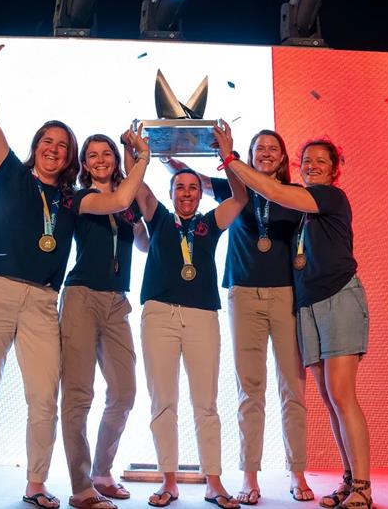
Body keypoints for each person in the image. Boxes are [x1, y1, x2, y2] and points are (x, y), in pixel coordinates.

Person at [0, 39, 152, 509]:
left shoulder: (72, 200)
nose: (53, 149)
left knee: (45, 396)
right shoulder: (10, 174)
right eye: (47, 142)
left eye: (62, 146)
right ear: (35, 148)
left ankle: (36, 484)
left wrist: (142, 161)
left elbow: (120, 201)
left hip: (45, 301)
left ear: (70, 160)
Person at [162, 129, 313, 504]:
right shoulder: (235, 187)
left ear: (282, 159)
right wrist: (167, 153)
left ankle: (298, 473)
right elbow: (191, 180)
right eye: (259, 148)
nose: (265, 153)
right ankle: (250, 476)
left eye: (273, 149)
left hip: (284, 295)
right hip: (242, 295)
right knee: (250, 389)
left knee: (292, 388)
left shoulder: (293, 196)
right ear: (248, 153)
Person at [221, 138, 372, 509]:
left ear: (335, 169)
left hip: (339, 297)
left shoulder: (328, 197)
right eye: (309, 160)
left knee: (340, 394)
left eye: (322, 161)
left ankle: (364, 487)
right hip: (308, 305)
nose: (313, 165)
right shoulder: (304, 206)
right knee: (328, 397)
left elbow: (272, 190)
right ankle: (350, 479)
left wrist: (230, 158)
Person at [136, 122, 246, 509]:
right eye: (180, 187)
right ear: (170, 193)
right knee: (162, 401)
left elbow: (239, 199)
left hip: (202, 317)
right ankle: (170, 482)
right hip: (159, 315)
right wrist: (141, 153)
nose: (186, 192)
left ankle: (213, 482)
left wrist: (227, 156)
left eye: (193, 188)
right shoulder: (160, 219)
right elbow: (139, 190)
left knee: (206, 403)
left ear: (201, 194)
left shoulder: (209, 224)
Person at [59, 130, 151, 509]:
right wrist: (141, 159)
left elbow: (144, 243)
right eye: (92, 155)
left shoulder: (125, 203)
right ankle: (81, 486)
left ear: (115, 159)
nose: (100, 160)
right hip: (82, 297)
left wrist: (137, 223)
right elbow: (121, 198)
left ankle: (101, 472)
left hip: (117, 301)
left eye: (106, 154)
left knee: (125, 392)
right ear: (84, 164)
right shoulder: (82, 198)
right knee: (79, 394)